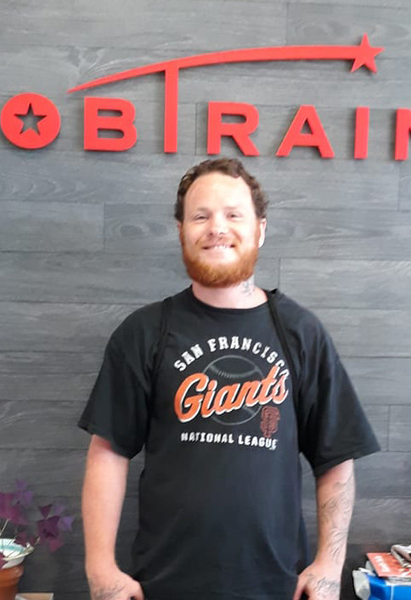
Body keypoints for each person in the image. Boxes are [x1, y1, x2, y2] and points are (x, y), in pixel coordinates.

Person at [79, 158, 379, 600]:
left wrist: (330, 565)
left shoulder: (301, 333)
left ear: (260, 229)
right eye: (200, 216)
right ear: (181, 230)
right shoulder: (144, 333)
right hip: (164, 587)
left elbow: (335, 458)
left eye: (233, 214)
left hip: (277, 588)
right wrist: (101, 568)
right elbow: (107, 453)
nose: (217, 227)